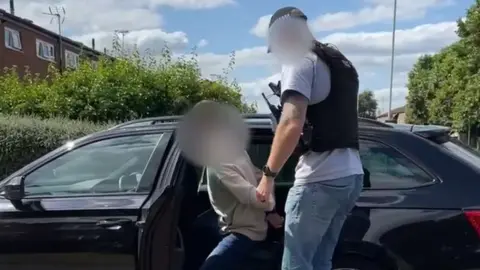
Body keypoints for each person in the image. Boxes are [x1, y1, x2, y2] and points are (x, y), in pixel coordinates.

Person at [255, 6, 365, 270]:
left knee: (297, 265)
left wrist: (268, 176)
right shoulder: (335, 60)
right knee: (320, 262)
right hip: (350, 176)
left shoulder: (299, 59)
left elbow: (292, 122)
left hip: (319, 179)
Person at [199, 150, 284, 270]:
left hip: (244, 231)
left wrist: (270, 209)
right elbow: (261, 182)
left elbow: (258, 188)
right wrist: (270, 209)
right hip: (249, 225)